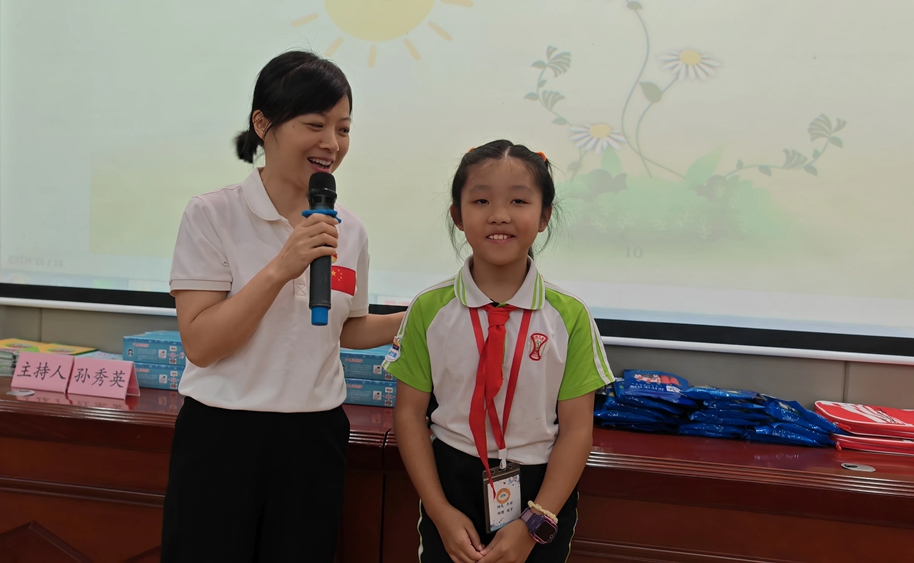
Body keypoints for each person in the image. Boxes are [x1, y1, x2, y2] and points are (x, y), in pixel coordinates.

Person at [162, 50, 403, 562]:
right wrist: (281, 267)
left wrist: (414, 319)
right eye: (315, 124)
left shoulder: (348, 228)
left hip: (315, 434)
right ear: (263, 124)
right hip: (223, 433)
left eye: (343, 128)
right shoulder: (212, 214)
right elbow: (201, 344)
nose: (331, 143)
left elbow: (344, 328)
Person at [385, 140, 614, 563]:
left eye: (518, 201)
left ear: (544, 216)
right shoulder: (429, 309)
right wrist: (439, 511)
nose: (499, 215)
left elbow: (577, 430)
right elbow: (409, 415)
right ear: (457, 215)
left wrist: (536, 521)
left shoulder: (570, 316)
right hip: (450, 481)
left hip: (541, 489)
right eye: (481, 200)